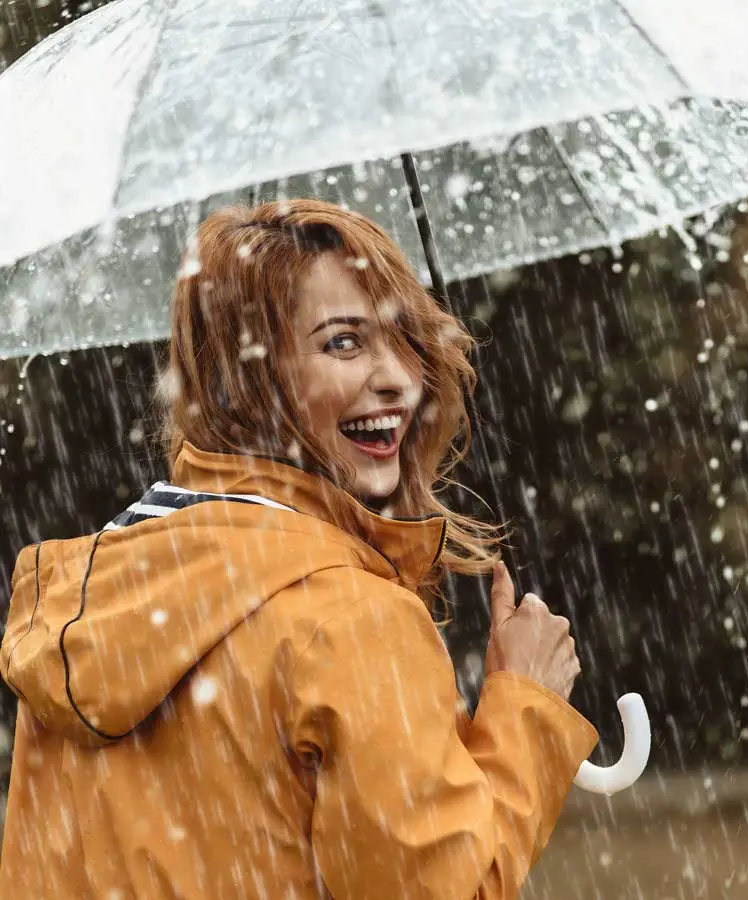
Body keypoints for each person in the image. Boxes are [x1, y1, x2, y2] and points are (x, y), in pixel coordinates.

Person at [0, 199, 597, 899]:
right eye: (343, 342)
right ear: (249, 382)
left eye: (405, 338)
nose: (400, 379)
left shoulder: (93, 599)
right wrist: (524, 711)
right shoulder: (349, 623)